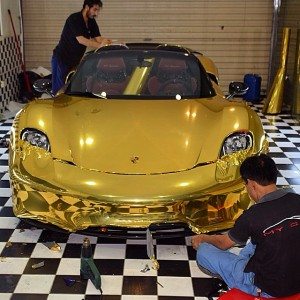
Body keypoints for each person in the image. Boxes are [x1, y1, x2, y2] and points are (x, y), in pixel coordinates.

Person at [191, 154, 300, 298]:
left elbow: (223, 244)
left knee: (204, 252)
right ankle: (244, 263)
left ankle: (238, 280)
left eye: (246, 185)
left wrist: (203, 238)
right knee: (260, 240)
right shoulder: (296, 199)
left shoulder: (252, 216)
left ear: (251, 184)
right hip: (296, 279)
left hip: (265, 288)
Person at [51, 0, 112, 94]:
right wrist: (100, 46)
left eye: (98, 11)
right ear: (87, 7)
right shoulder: (74, 19)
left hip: (75, 60)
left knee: (72, 89)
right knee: (60, 90)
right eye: (95, 10)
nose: (96, 13)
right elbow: (81, 40)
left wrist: (110, 43)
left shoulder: (91, 21)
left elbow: (98, 38)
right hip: (62, 59)